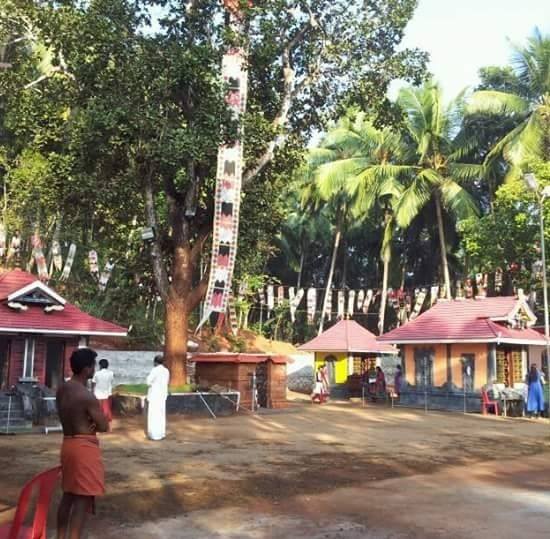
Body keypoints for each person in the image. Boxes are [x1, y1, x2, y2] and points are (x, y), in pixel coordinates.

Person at [56, 348, 109, 539]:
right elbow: (103, 426)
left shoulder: (62, 389)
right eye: (93, 365)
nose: (94, 369)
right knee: (82, 498)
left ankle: (61, 536)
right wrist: (94, 421)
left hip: (67, 443)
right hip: (84, 447)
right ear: (87, 369)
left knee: (68, 494)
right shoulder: (86, 396)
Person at [146, 355, 170, 441]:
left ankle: (154, 434)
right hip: (162, 395)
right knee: (161, 414)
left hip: (154, 396)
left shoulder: (154, 370)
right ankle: (161, 433)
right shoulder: (166, 371)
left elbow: (148, 382)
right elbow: (166, 382)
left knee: (153, 415)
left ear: (155, 362)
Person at [92, 359, 114, 431]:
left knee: (98, 411)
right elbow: (111, 382)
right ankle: (109, 428)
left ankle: (98, 427)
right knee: (107, 411)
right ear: (107, 366)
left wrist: (92, 391)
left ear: (100, 366)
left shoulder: (97, 373)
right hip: (107, 394)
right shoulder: (111, 373)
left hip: (97, 394)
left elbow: (93, 383)